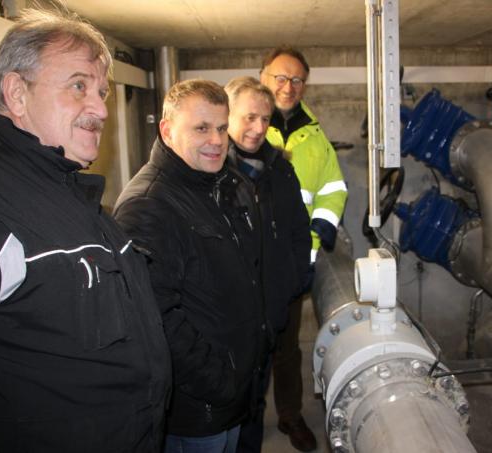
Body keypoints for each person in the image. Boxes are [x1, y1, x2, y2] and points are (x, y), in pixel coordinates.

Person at [0, 8, 171, 452]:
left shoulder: (70, 192)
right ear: (17, 94)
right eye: (78, 86)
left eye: (102, 92)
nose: (101, 108)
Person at [114, 79, 268, 453]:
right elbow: (156, 320)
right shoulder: (148, 207)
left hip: (231, 394)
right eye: (201, 128)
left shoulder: (219, 184)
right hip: (197, 407)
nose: (216, 140)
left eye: (220, 128)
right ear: (167, 131)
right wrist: (218, 381)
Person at [260, 46, 348, 452]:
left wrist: (321, 231)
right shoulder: (245, 124)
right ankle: (242, 417)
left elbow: (333, 188)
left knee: (286, 346)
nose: (288, 86)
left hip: (293, 261)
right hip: (245, 259)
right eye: (280, 77)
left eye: (296, 79)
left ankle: (290, 416)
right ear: (264, 77)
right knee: (241, 343)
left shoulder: (314, 135)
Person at [223, 77, 311, 453]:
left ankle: (290, 416)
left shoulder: (279, 167)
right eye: (248, 118)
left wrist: (296, 277)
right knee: (243, 370)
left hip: (280, 288)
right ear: (226, 115)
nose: (258, 128)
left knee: (287, 355)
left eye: (265, 119)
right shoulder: (213, 167)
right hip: (237, 298)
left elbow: (297, 225)